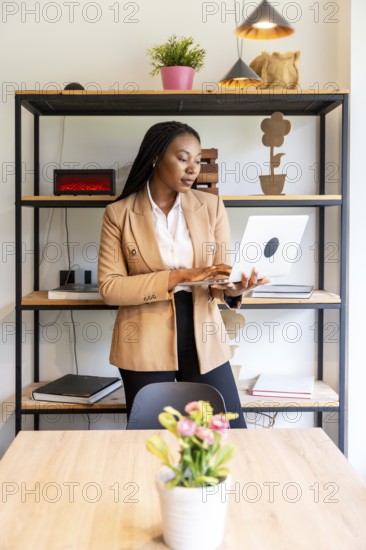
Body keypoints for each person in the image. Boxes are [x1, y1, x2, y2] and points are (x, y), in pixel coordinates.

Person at [98, 121, 268, 428]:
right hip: (144, 339)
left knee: (220, 431)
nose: (193, 169)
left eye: (198, 160)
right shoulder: (119, 214)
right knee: (154, 438)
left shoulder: (212, 206)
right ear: (155, 157)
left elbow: (219, 277)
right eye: (183, 158)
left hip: (203, 333)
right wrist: (178, 277)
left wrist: (235, 289)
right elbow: (110, 289)